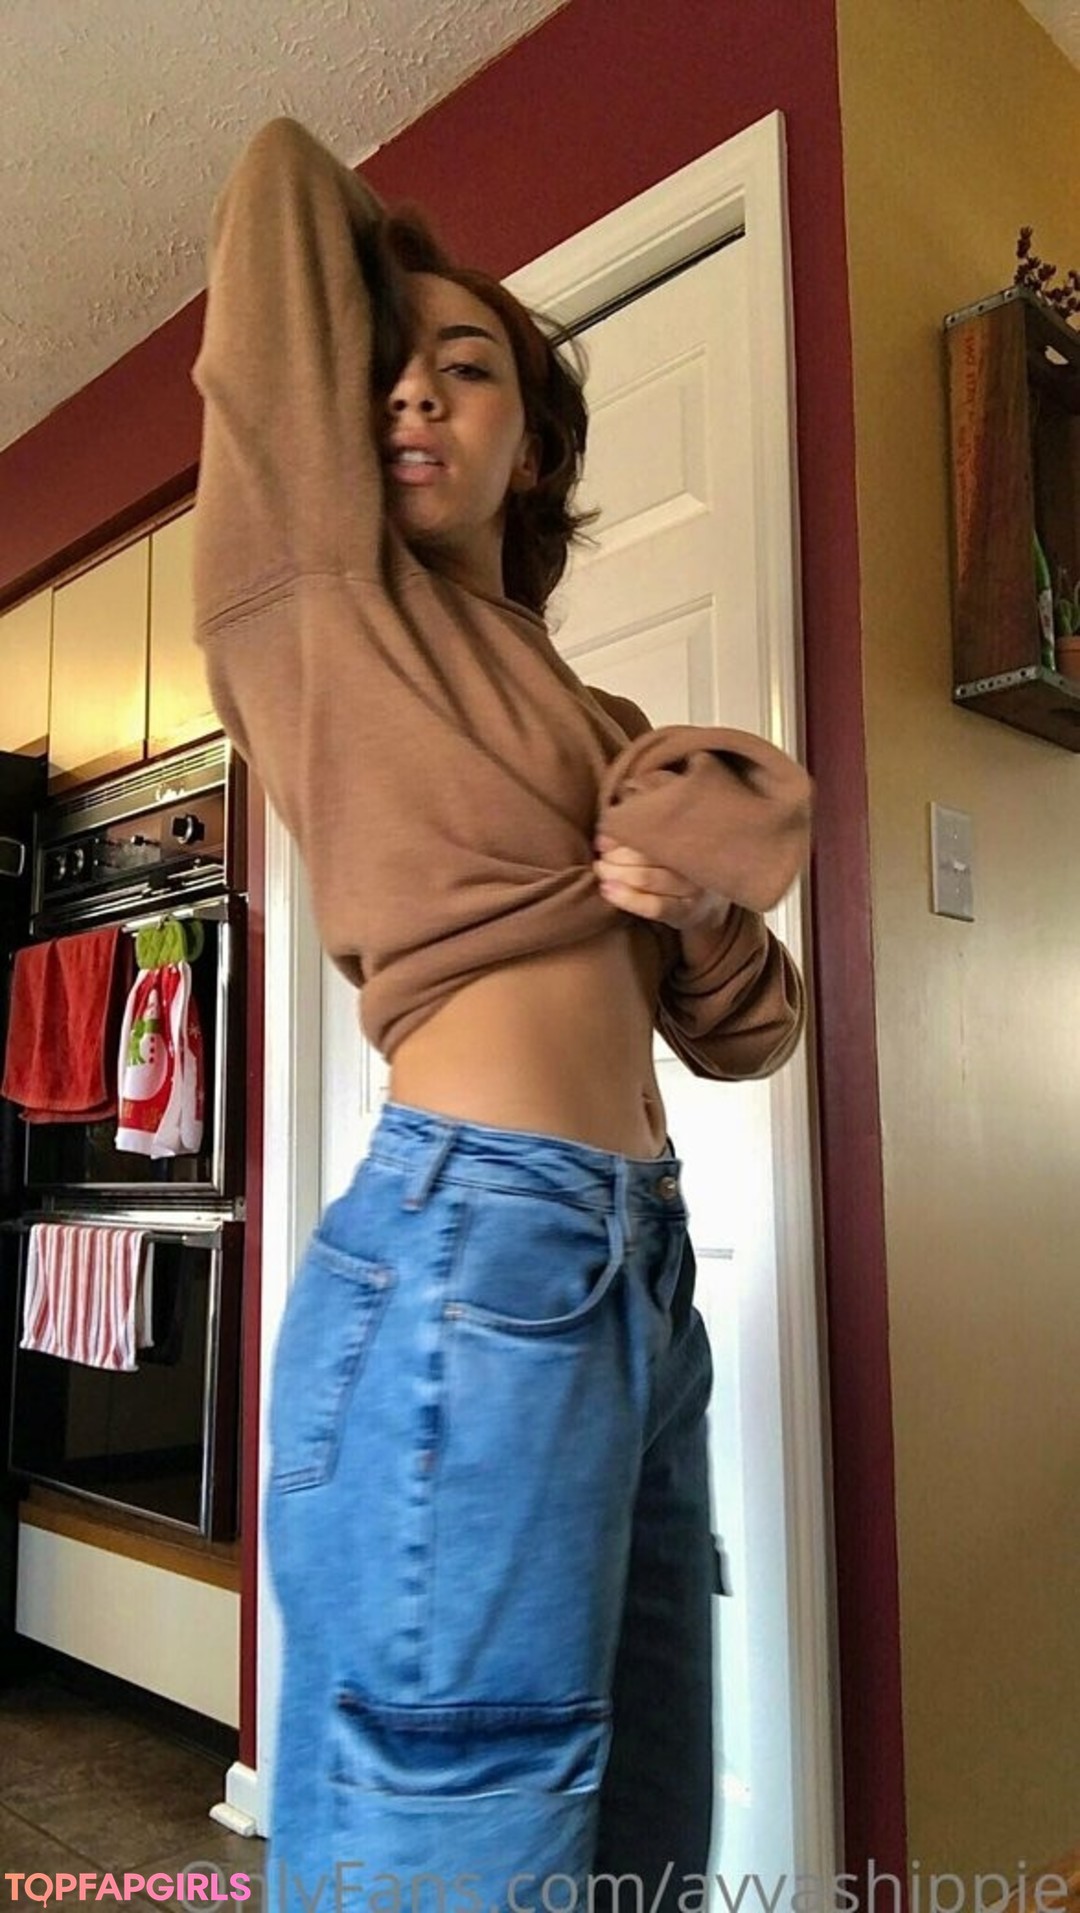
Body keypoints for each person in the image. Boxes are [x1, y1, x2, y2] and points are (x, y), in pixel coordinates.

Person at [192, 117, 812, 1913]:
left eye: (465, 369)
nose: (412, 391)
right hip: (476, 1249)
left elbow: (751, 1035)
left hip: (639, 1275)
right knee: (460, 1830)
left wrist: (701, 911)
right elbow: (280, 183)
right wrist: (408, 271)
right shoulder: (318, 608)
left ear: (531, 443)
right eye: (379, 365)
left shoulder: (606, 719)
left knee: (643, 1823)